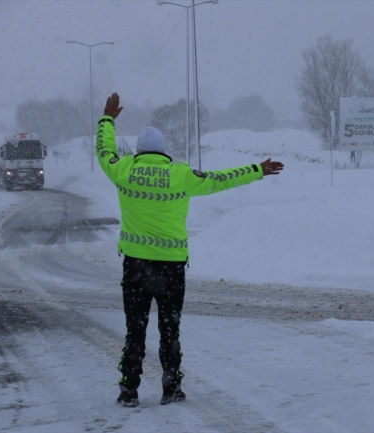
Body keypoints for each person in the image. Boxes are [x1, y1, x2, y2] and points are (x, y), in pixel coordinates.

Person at [97, 93, 284, 407]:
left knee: (135, 331)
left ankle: (129, 391)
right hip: (171, 269)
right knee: (169, 330)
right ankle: (171, 389)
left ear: (141, 151)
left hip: (135, 267)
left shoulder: (123, 170)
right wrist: (256, 169)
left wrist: (107, 119)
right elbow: (219, 180)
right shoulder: (180, 174)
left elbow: (104, 151)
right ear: (163, 151)